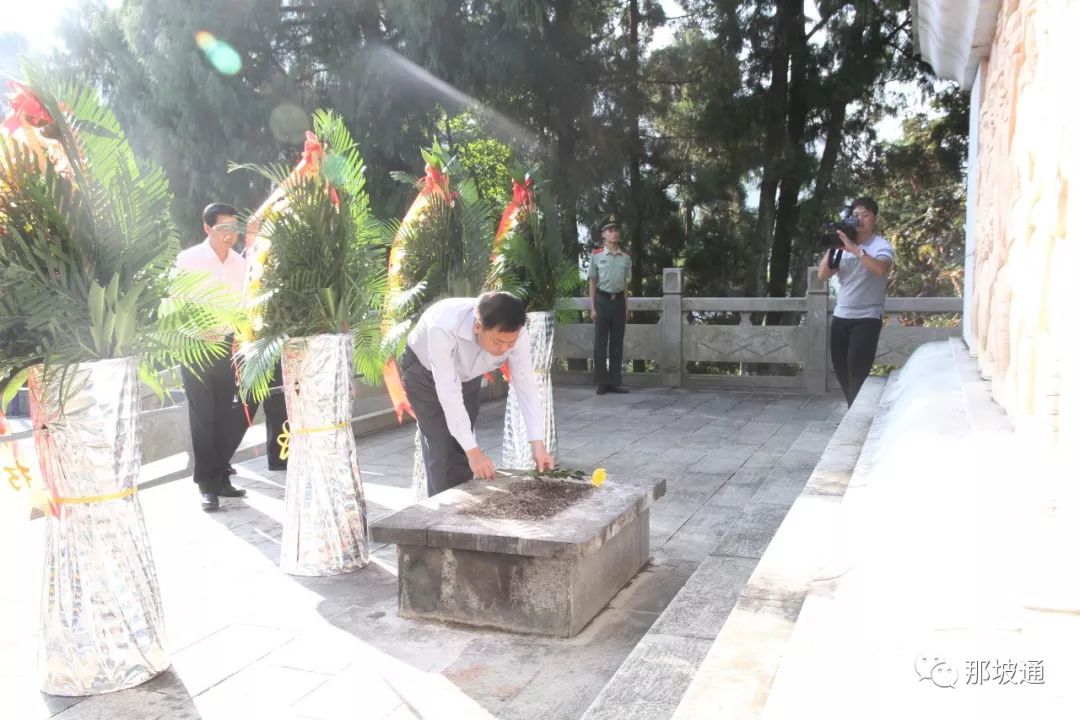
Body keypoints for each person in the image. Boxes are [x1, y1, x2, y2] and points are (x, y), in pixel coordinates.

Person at [401, 292, 556, 496]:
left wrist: (537, 443)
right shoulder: (444, 325)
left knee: (461, 448)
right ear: (477, 326)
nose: (504, 349)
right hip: (424, 373)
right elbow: (448, 390)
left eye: (511, 343)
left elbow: (525, 384)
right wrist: (475, 452)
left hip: (468, 375)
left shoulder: (517, 333)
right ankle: (445, 515)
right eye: (498, 342)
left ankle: (462, 505)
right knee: (441, 449)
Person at [174, 203, 251, 511]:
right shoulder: (189, 259)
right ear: (207, 228)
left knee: (224, 415)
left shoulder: (239, 263)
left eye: (234, 227)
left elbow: (245, 304)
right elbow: (177, 302)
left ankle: (221, 478)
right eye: (223, 229)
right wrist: (195, 329)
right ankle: (207, 485)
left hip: (229, 346)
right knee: (202, 416)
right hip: (195, 345)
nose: (230, 235)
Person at [818, 197, 894, 407]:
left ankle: (855, 420)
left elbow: (880, 269)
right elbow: (823, 275)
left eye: (865, 215)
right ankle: (855, 411)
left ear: (874, 219)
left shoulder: (880, 245)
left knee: (857, 372)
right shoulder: (842, 246)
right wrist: (835, 246)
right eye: (856, 215)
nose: (860, 219)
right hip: (841, 316)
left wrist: (856, 250)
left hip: (867, 318)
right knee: (842, 370)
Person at [588, 215, 632, 395]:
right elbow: (592, 281)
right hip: (602, 301)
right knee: (600, 343)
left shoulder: (626, 257)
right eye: (610, 231)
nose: (614, 234)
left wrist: (627, 306)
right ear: (603, 234)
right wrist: (592, 307)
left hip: (619, 303)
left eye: (616, 230)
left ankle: (615, 382)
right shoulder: (597, 256)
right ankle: (602, 382)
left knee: (616, 344)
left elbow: (625, 284)